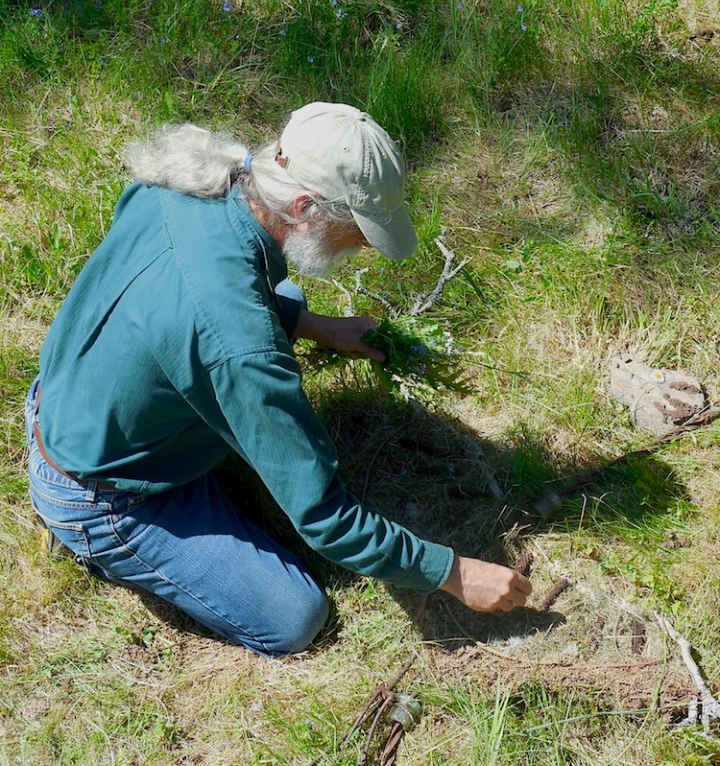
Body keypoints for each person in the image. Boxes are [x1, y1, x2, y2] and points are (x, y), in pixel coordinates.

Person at [26, 101, 531, 658]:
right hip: (101, 492)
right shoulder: (242, 345)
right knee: (295, 618)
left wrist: (316, 326)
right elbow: (326, 517)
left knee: (284, 296)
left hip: (65, 397)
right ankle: (95, 542)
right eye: (358, 230)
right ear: (305, 208)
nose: (362, 245)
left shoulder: (186, 184)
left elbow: (199, 299)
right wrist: (453, 573)